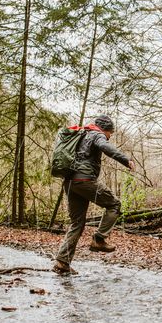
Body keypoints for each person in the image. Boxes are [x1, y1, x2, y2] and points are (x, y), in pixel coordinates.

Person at [53, 114, 135, 275]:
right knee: (114, 204)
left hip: (70, 183)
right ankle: (99, 239)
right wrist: (125, 160)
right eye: (110, 133)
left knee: (77, 223)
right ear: (105, 129)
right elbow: (105, 147)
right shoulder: (96, 134)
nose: (110, 136)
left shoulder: (80, 134)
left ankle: (62, 262)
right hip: (84, 180)